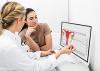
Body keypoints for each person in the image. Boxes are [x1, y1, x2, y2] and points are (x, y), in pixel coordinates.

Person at [0, 2, 75, 71]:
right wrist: (60, 53)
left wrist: (43, 53)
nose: (34, 20)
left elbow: (25, 55)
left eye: (36, 17)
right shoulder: (9, 46)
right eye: (24, 19)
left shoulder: (12, 37)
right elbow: (35, 68)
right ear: (18, 21)